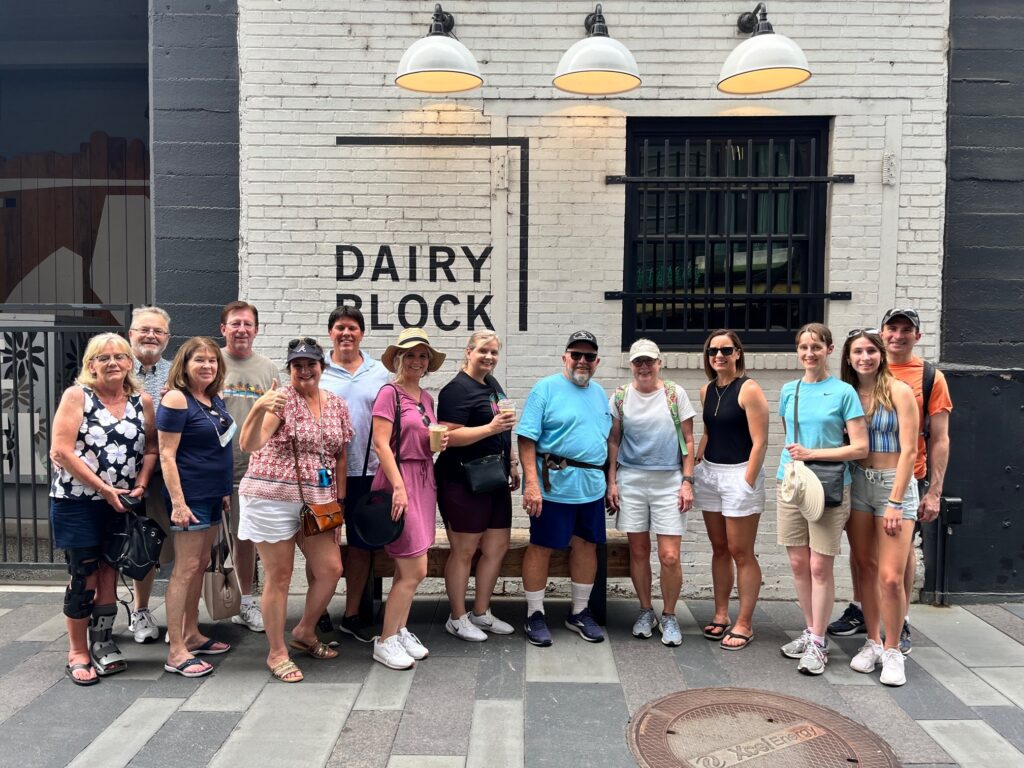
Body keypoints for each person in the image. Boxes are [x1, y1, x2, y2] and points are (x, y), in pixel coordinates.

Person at [828, 308, 953, 655]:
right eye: (892, 329)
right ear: (883, 334)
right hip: (859, 481)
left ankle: (899, 625)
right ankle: (868, 622)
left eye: (906, 329)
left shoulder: (924, 379)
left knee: (895, 567)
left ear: (916, 336)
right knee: (864, 561)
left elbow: (939, 438)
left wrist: (933, 491)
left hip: (903, 478)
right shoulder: (848, 389)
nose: (898, 335)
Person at [238, 338, 352, 682]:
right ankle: (277, 652)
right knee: (281, 575)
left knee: (330, 568)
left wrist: (340, 501)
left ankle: (304, 631)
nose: (304, 371)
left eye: (310, 364)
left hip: (317, 500)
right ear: (289, 369)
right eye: (297, 365)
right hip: (271, 496)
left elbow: (341, 455)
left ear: (322, 366)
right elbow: (250, 444)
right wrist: (259, 407)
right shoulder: (281, 400)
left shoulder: (336, 404)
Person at [49, 334, 158, 684]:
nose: (113, 363)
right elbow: (61, 450)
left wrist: (141, 484)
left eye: (120, 356)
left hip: (121, 502)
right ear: (91, 364)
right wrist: (103, 489)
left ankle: (103, 642)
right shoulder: (77, 396)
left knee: (111, 571)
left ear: (130, 362)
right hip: (77, 501)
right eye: (103, 357)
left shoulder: (142, 401)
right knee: (85, 575)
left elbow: (152, 449)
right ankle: (77, 651)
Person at [777, 323, 868, 676]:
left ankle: (818, 641)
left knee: (819, 565)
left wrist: (813, 453)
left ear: (829, 349)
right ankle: (811, 630)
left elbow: (860, 447)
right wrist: (800, 458)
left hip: (829, 486)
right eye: (803, 347)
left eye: (816, 346)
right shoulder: (790, 390)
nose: (809, 353)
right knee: (799, 562)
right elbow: (790, 435)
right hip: (792, 483)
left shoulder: (844, 392)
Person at [516, 330, 612, 647]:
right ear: (565, 357)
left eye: (589, 356)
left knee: (587, 545)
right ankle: (534, 613)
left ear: (597, 361)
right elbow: (526, 438)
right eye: (576, 354)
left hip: (591, 488)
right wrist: (531, 483)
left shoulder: (599, 394)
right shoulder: (545, 389)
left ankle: (579, 612)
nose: (582, 361)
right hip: (552, 487)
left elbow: (606, 439)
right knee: (541, 546)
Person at [841, 329, 919, 687]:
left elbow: (910, 450)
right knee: (866, 568)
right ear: (848, 357)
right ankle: (872, 641)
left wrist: (896, 501)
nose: (864, 357)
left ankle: (893, 649)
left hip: (892, 486)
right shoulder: (847, 393)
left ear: (881, 354)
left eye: (871, 350)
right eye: (858, 351)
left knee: (890, 576)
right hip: (858, 483)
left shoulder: (899, 391)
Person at [606, 339, 695, 647]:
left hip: (669, 479)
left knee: (669, 555)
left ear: (659, 363)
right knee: (639, 551)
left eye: (649, 361)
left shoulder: (674, 393)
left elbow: (689, 439)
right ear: (631, 365)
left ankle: (669, 614)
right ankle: (646, 610)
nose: (644, 367)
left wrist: (687, 481)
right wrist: (612, 481)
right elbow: (614, 440)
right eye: (638, 362)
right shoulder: (620, 397)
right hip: (631, 479)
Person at [370, 328, 449, 669]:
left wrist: (438, 443)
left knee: (414, 564)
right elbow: (380, 444)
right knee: (413, 567)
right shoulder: (389, 393)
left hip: (423, 479)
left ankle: (399, 630)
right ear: (398, 359)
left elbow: (423, 436)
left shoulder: (426, 397)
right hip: (400, 479)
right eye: (410, 355)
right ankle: (385, 640)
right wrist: (399, 487)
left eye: (422, 355)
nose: (417, 361)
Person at [158, 337, 234, 677]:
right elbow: (166, 454)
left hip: (212, 495)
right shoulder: (177, 398)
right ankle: (176, 651)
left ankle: (191, 633)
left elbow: (218, 447)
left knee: (201, 564)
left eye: (212, 360)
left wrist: (223, 491)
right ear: (184, 365)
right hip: (189, 497)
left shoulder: (212, 398)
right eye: (199, 360)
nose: (207, 366)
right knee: (185, 569)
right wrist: (178, 502)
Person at [436, 330, 519, 642]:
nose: (489, 356)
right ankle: (457, 618)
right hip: (462, 480)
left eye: (494, 352)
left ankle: (481, 612)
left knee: (497, 546)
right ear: (468, 351)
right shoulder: (455, 390)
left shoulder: (491, 383)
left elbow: (504, 427)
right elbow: (447, 437)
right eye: (483, 350)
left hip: (494, 477)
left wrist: (512, 462)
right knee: (465, 550)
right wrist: (489, 428)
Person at [317, 306, 390, 644]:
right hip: (325, 475)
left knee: (362, 546)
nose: (346, 333)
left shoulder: (379, 372)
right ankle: (318, 611)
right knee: (322, 544)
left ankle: (351, 614)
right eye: (340, 328)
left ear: (362, 333)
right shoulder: (318, 369)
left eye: (352, 328)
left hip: (368, 471)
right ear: (330, 333)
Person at [693, 330, 769, 651]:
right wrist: (697, 462)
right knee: (719, 548)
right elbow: (709, 431)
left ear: (738, 352)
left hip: (740, 473)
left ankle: (744, 623)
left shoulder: (749, 389)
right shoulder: (706, 390)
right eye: (713, 351)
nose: (719, 356)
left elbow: (760, 441)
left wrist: (747, 481)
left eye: (726, 350)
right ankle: (721, 614)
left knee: (741, 551)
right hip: (711, 474)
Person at [220, 301, 280, 633]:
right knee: (203, 546)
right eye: (235, 323)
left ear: (256, 330)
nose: (241, 329)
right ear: (223, 329)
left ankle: (244, 602)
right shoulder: (211, 362)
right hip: (213, 469)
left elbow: (276, 416)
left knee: (245, 540)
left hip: (252, 471)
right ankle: (194, 613)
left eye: (247, 324)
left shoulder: (268, 369)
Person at [126, 306, 174, 644]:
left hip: (163, 475)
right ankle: (138, 610)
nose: (151, 336)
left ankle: (176, 615)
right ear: (131, 334)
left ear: (167, 338)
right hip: (120, 475)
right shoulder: (115, 366)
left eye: (158, 331)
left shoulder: (175, 372)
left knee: (154, 543)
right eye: (144, 329)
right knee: (118, 547)